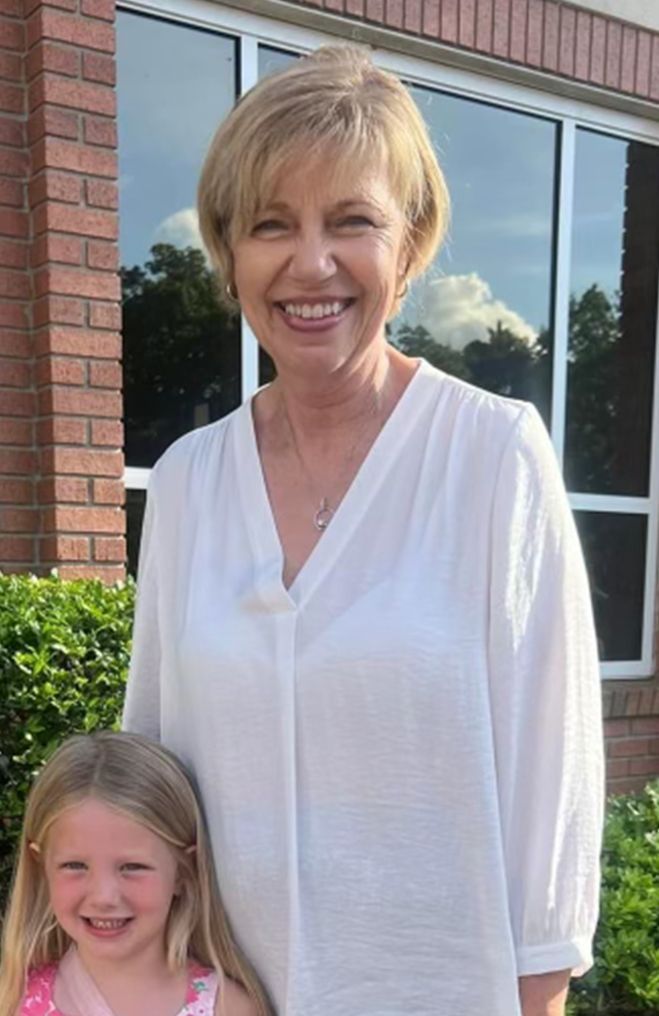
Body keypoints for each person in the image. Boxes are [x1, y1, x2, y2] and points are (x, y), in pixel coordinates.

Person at [123, 45, 604, 1016]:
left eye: (352, 222)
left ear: (411, 240)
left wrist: (537, 993)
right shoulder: (186, 483)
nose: (310, 263)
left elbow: (549, 772)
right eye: (270, 226)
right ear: (228, 251)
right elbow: (149, 774)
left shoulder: (492, 456)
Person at [0, 731, 271, 1016]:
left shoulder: (226, 1008)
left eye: (133, 867)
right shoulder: (13, 999)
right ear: (41, 866)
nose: (104, 896)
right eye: (75, 866)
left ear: (183, 871)